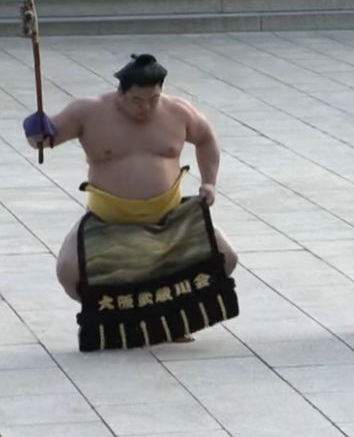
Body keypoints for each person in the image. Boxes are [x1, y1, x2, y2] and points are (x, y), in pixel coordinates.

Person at [21, 55, 239, 349]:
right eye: (137, 100)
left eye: (153, 100)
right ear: (121, 92)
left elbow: (206, 139)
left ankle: (173, 319)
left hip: (169, 217)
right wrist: (36, 131)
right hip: (109, 220)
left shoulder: (179, 111)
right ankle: (123, 319)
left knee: (226, 256)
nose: (145, 108)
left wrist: (209, 182)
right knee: (69, 272)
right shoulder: (88, 112)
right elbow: (44, 140)